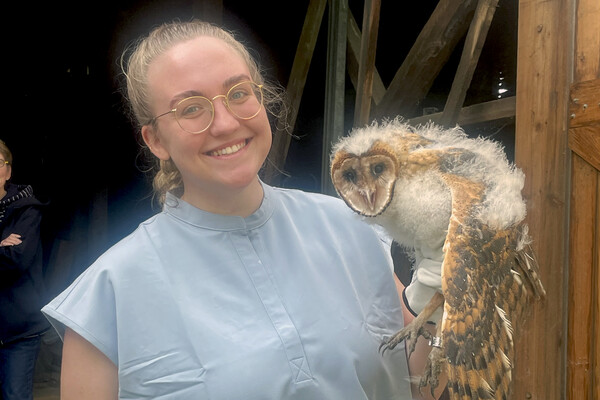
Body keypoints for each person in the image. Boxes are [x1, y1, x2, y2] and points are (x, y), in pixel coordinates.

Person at [42, 20, 445, 399]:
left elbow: (421, 385)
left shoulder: (351, 228)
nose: (225, 123)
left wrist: (443, 292)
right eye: (190, 108)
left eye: (238, 93)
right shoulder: (108, 296)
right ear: (156, 140)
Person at [0, 139, 49, 400]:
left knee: (15, 396)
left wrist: (5, 251)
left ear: (8, 171)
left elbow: (16, 260)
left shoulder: (27, 209)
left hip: (19, 330)